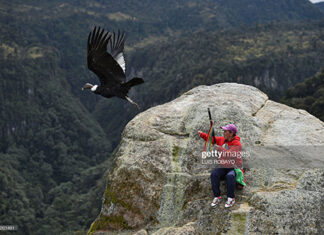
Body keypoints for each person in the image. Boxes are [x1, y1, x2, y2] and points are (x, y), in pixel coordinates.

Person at [198, 124, 242, 208]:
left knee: (230, 176)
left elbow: (230, 155)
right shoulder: (222, 139)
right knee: (214, 174)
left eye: (225, 131)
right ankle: (217, 196)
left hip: (234, 167)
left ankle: (231, 198)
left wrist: (219, 149)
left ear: (231, 133)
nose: (223, 133)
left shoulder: (237, 144)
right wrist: (202, 134)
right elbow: (211, 139)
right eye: (224, 131)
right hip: (224, 167)